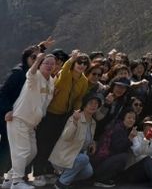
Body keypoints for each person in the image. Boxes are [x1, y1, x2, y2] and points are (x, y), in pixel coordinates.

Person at [33, 51, 90, 187]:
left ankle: (48, 171)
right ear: (74, 63)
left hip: (64, 116)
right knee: (43, 143)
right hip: (50, 113)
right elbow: (65, 69)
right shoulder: (65, 74)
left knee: (54, 144)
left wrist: (76, 111)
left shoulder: (84, 81)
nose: (81, 65)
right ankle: (38, 173)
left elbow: (79, 99)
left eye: (84, 63)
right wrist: (71, 59)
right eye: (79, 62)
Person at [5, 53, 55, 189]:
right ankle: (17, 182)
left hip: (32, 124)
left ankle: (9, 178)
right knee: (22, 151)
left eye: (52, 64)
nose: (49, 66)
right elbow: (30, 74)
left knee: (32, 152)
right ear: (40, 65)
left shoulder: (51, 81)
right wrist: (38, 60)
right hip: (19, 118)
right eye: (46, 63)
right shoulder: (35, 76)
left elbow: (44, 103)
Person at [0, 47, 38, 186]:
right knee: (7, 146)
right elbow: (3, 93)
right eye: (33, 58)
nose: (37, 60)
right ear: (26, 58)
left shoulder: (35, 74)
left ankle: (14, 177)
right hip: (9, 115)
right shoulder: (18, 73)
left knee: (24, 149)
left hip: (23, 116)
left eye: (39, 59)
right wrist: (7, 110)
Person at [49, 93, 101, 189]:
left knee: (88, 172)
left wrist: (93, 143)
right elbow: (66, 136)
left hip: (76, 159)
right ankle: (61, 184)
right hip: (65, 157)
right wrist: (75, 122)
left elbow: (86, 139)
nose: (93, 105)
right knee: (84, 158)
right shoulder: (75, 117)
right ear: (84, 105)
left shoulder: (93, 122)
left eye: (96, 103)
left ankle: (63, 178)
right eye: (91, 103)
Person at [91, 109, 138, 187]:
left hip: (102, 163)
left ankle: (105, 177)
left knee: (125, 155)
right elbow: (117, 149)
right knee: (124, 157)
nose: (131, 120)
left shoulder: (122, 128)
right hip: (99, 164)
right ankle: (101, 179)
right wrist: (130, 138)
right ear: (123, 118)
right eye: (129, 117)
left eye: (133, 118)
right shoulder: (118, 129)